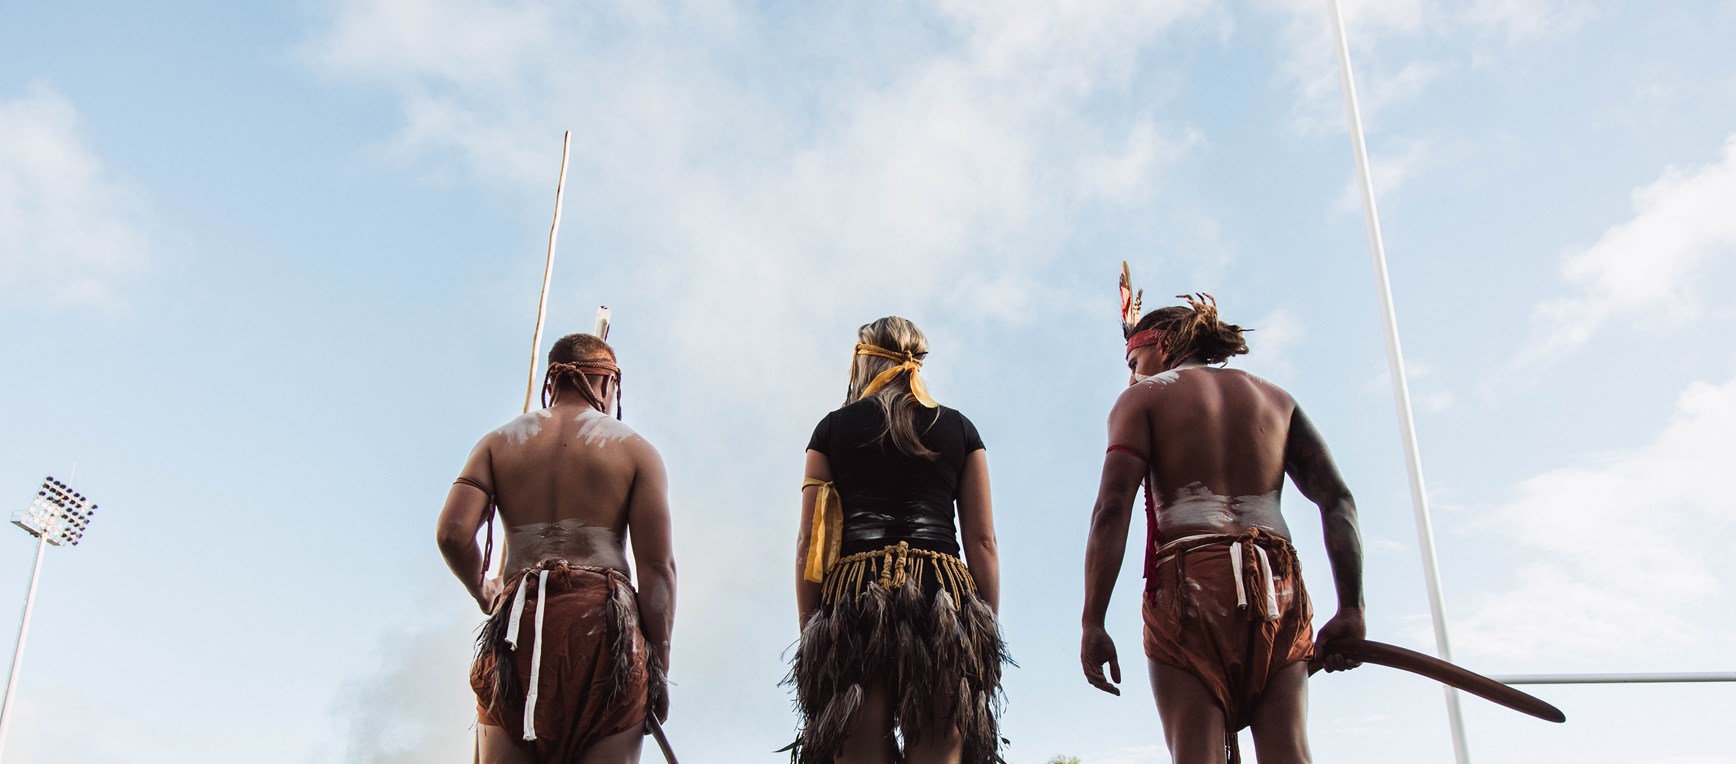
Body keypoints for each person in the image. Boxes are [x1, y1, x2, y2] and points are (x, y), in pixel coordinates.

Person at [1080, 286, 1365, 764]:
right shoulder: (1275, 400)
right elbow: (1337, 500)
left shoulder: (1142, 401)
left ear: (1163, 344)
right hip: (1277, 582)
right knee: (1290, 753)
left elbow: (1112, 509)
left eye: (1134, 361)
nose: (1131, 376)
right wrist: (1352, 609)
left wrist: (1093, 620)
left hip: (1191, 583)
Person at [437, 332, 675, 763]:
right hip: (604, 632)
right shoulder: (636, 451)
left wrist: (483, 589)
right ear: (607, 383)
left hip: (518, 628)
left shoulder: (497, 443)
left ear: (552, 381)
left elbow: (452, 533)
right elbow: (658, 573)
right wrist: (657, 670)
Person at [786, 317, 1010, 764]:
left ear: (863, 361)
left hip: (854, 597)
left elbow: (809, 543)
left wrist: (811, 629)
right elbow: (982, 542)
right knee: (938, 741)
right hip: (943, 598)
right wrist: (983, 630)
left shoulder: (830, 430)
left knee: (860, 745)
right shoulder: (961, 430)